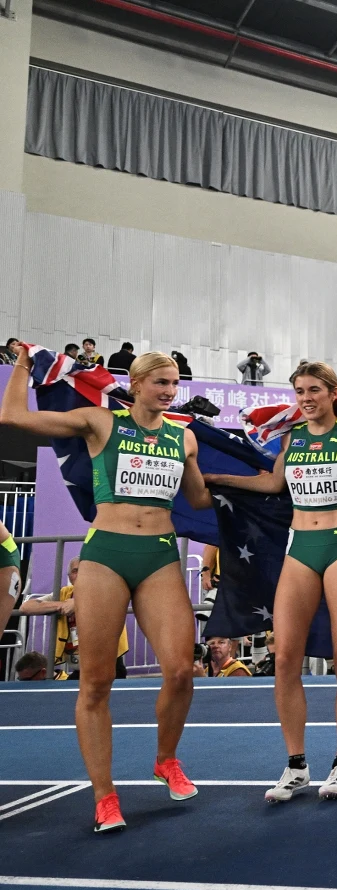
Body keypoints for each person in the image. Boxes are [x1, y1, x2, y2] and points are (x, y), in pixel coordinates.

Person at [2, 348, 213, 833]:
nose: (168, 390)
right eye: (160, 382)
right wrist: (23, 366)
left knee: (181, 670)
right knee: (96, 682)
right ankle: (105, 796)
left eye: (173, 383)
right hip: (106, 555)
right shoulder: (100, 422)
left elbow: (199, 498)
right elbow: (13, 416)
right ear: (135, 385)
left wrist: (259, 482)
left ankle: (166, 759)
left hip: (160, 553)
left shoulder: (183, 438)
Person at [203, 361, 337, 803]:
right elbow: (272, 483)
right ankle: (296, 765)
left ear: (332, 393)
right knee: (285, 658)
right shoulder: (292, 440)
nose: (305, 398)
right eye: (299, 391)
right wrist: (217, 478)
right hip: (300, 548)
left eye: (314, 389)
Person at [19, 557, 130, 681]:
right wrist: (59, 605)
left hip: (108, 667)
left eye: (84, 570)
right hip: (80, 670)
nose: (80, 574)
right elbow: (26, 607)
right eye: (75, 571)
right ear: (69, 576)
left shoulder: (106, 590)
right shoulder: (63, 594)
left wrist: (77, 603)